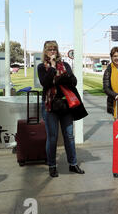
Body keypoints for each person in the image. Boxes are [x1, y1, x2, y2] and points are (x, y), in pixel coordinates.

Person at [38, 40, 88, 178]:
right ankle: (52, 166)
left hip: (65, 105)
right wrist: (53, 67)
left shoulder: (65, 65)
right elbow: (45, 83)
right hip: (50, 106)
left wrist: (65, 77)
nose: (52, 51)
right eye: (49, 49)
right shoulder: (42, 67)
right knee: (52, 137)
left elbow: (73, 82)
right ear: (45, 51)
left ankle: (73, 164)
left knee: (69, 136)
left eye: (54, 49)